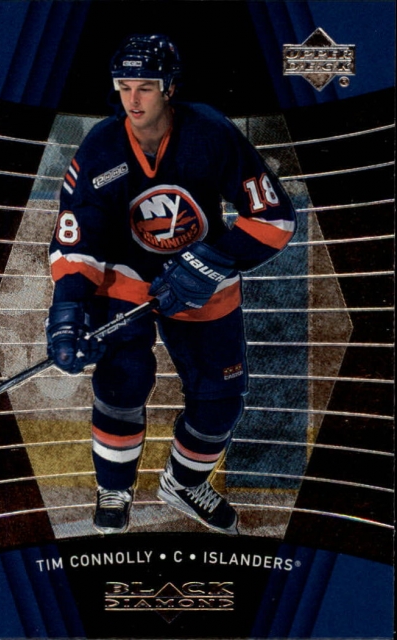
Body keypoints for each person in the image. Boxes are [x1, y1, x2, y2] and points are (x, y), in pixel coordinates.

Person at [46, 34, 296, 535]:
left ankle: (183, 483)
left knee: (220, 400)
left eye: (145, 87)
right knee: (122, 381)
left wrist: (211, 262)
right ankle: (114, 488)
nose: (133, 100)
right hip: (125, 280)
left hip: (204, 280)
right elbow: (75, 239)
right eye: (124, 87)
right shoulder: (100, 147)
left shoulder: (210, 132)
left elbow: (275, 217)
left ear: (169, 88)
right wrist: (67, 313)